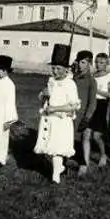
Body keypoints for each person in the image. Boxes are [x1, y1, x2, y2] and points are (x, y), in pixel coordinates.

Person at [35, 44, 81, 184]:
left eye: (58, 69)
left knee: (57, 148)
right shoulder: (51, 81)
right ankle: (59, 167)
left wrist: (55, 109)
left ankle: (55, 176)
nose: (55, 71)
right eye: (53, 68)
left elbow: (73, 106)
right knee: (50, 147)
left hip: (61, 120)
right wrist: (43, 94)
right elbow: (42, 97)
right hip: (49, 119)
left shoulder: (70, 84)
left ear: (66, 70)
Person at [85, 53, 110, 168]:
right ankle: (85, 159)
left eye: (102, 62)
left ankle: (103, 155)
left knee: (96, 136)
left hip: (101, 106)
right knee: (86, 133)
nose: (98, 65)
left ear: (106, 63)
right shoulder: (93, 75)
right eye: (97, 62)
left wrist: (96, 91)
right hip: (91, 105)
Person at [72, 50, 98, 176]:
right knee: (71, 138)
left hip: (84, 115)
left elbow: (93, 102)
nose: (80, 65)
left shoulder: (91, 81)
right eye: (79, 62)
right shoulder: (74, 77)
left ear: (89, 64)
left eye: (83, 62)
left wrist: (87, 118)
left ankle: (83, 163)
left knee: (84, 138)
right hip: (72, 112)